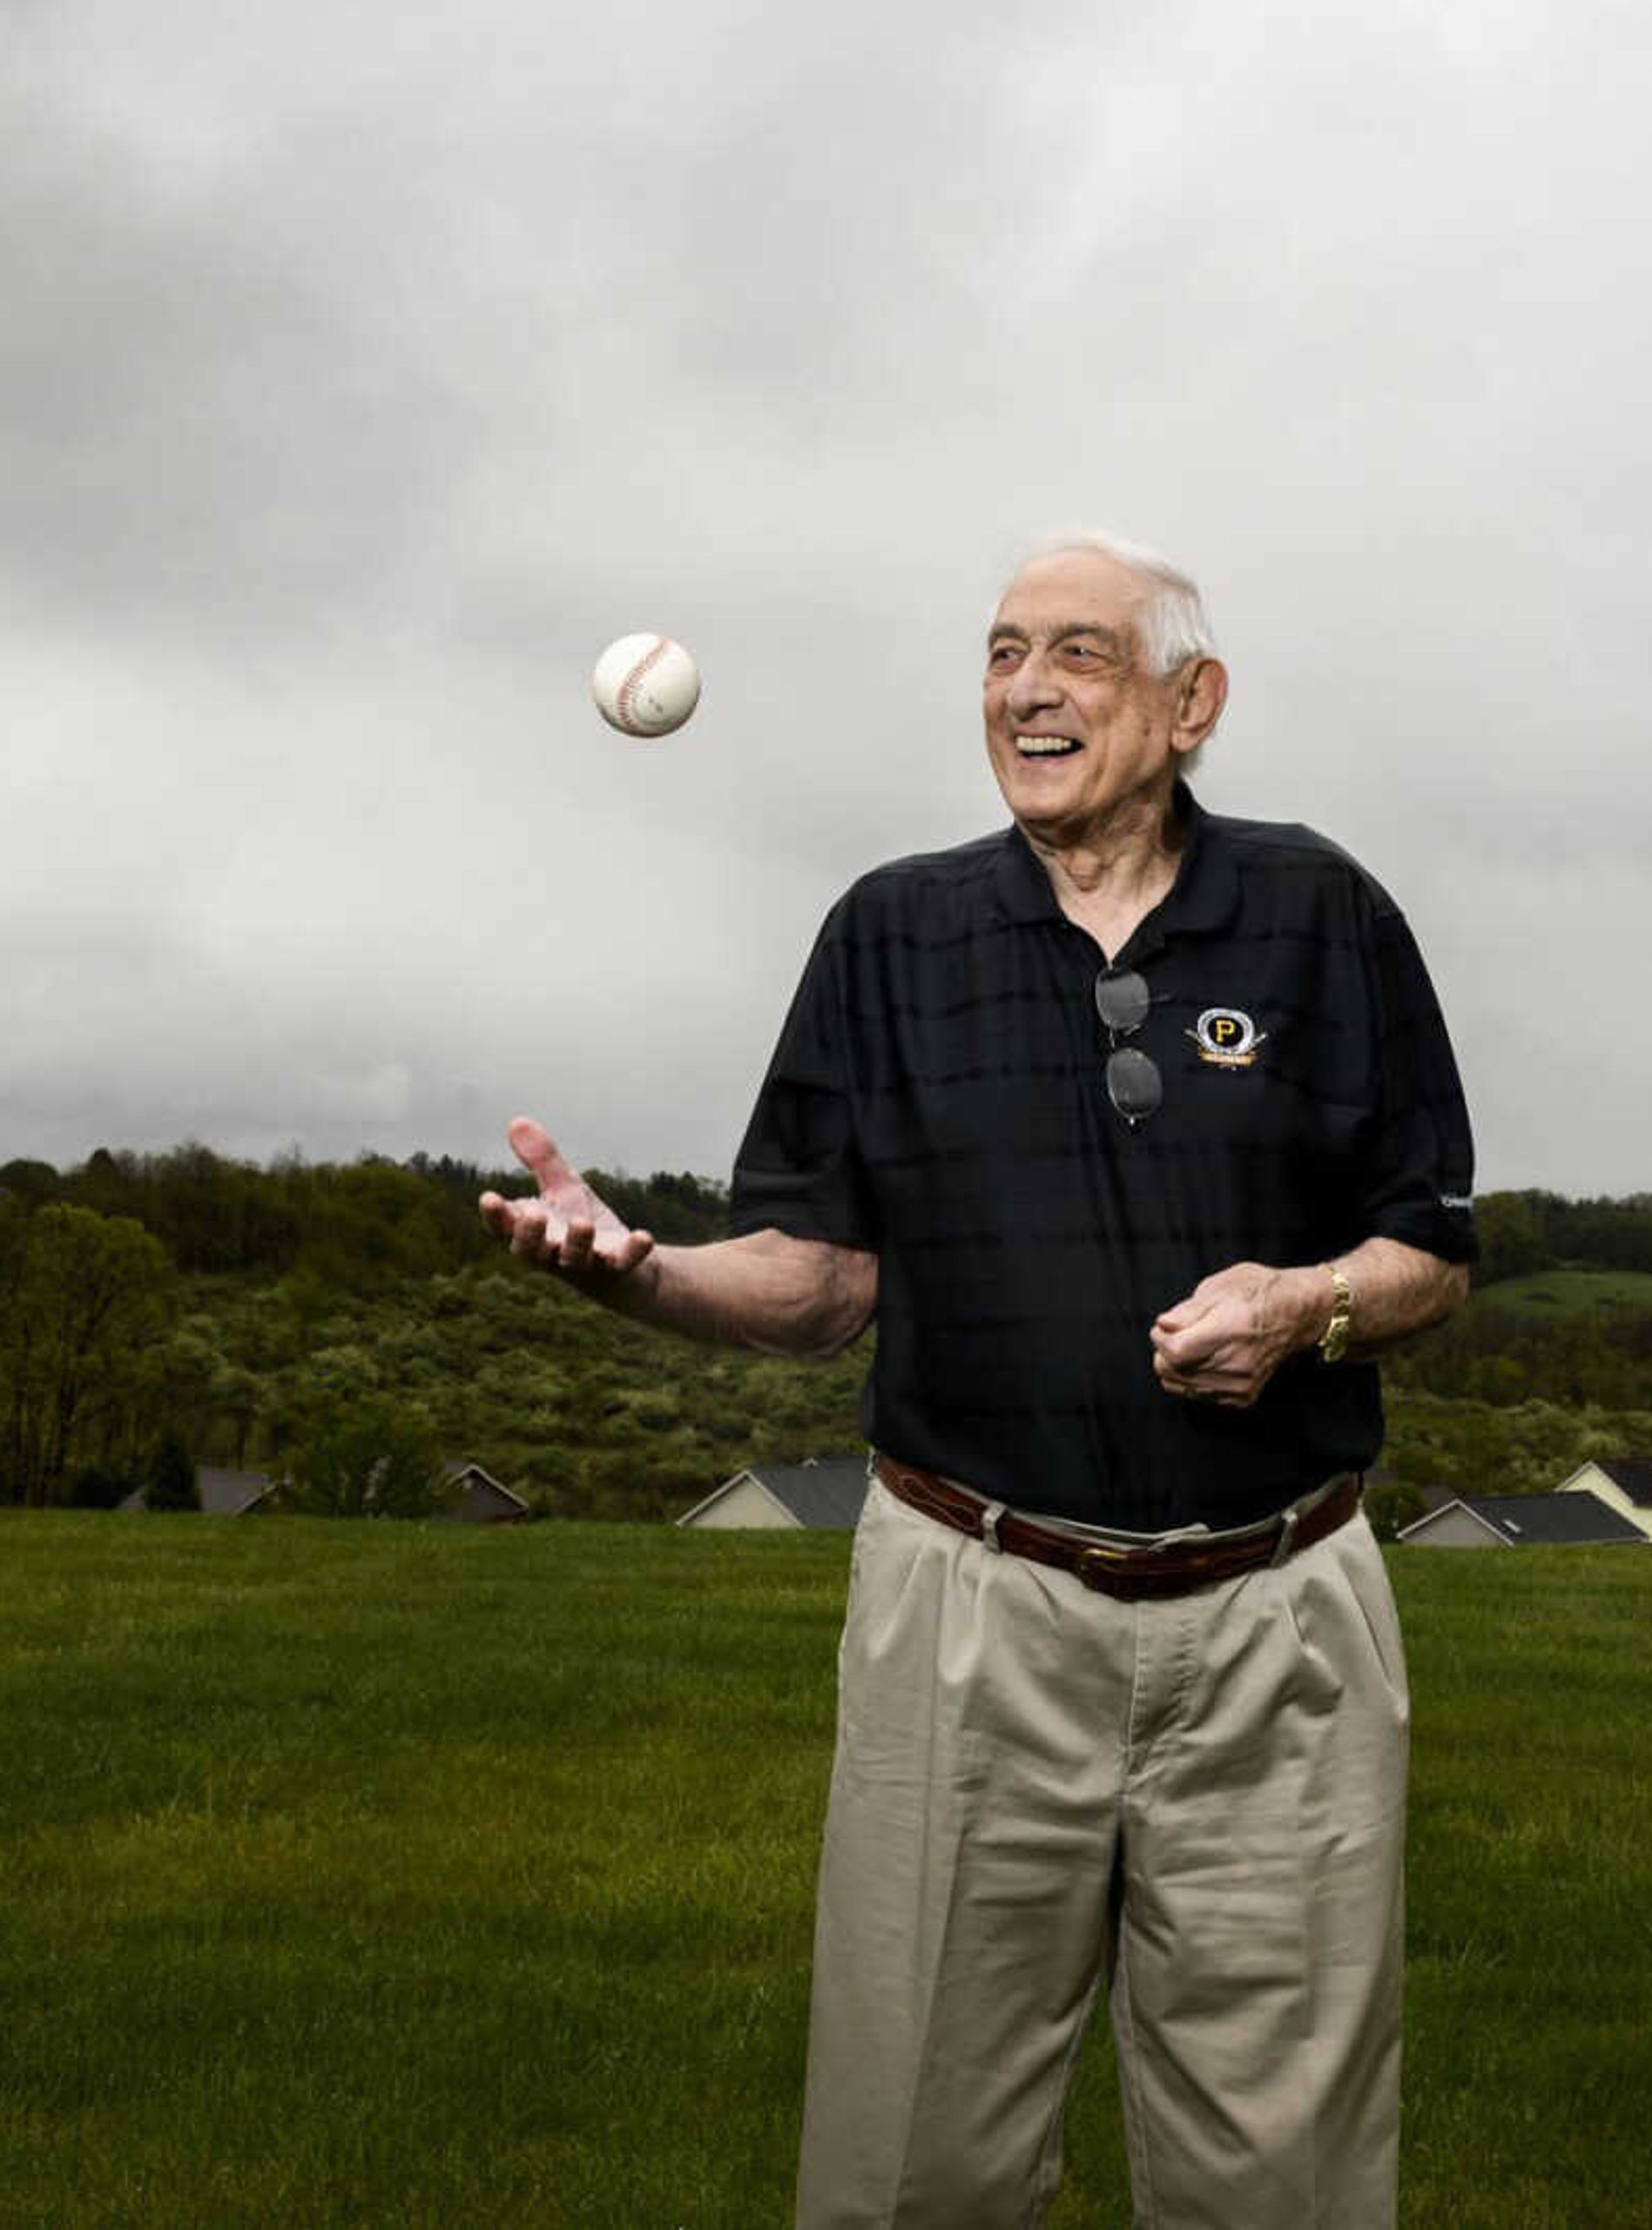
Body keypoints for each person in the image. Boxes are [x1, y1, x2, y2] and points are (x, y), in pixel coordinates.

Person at [481, 532, 1477, 2227]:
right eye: (1004, 652)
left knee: (1283, 2184)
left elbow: (1431, 1253)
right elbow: (819, 1284)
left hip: (1277, 1615)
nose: (1027, 687)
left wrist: (1310, 1303)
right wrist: (644, 1276)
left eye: (1078, 653)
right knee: (912, 2164)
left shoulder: (1323, 919)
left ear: (1191, 703)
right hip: (971, 1608)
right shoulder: (892, 935)